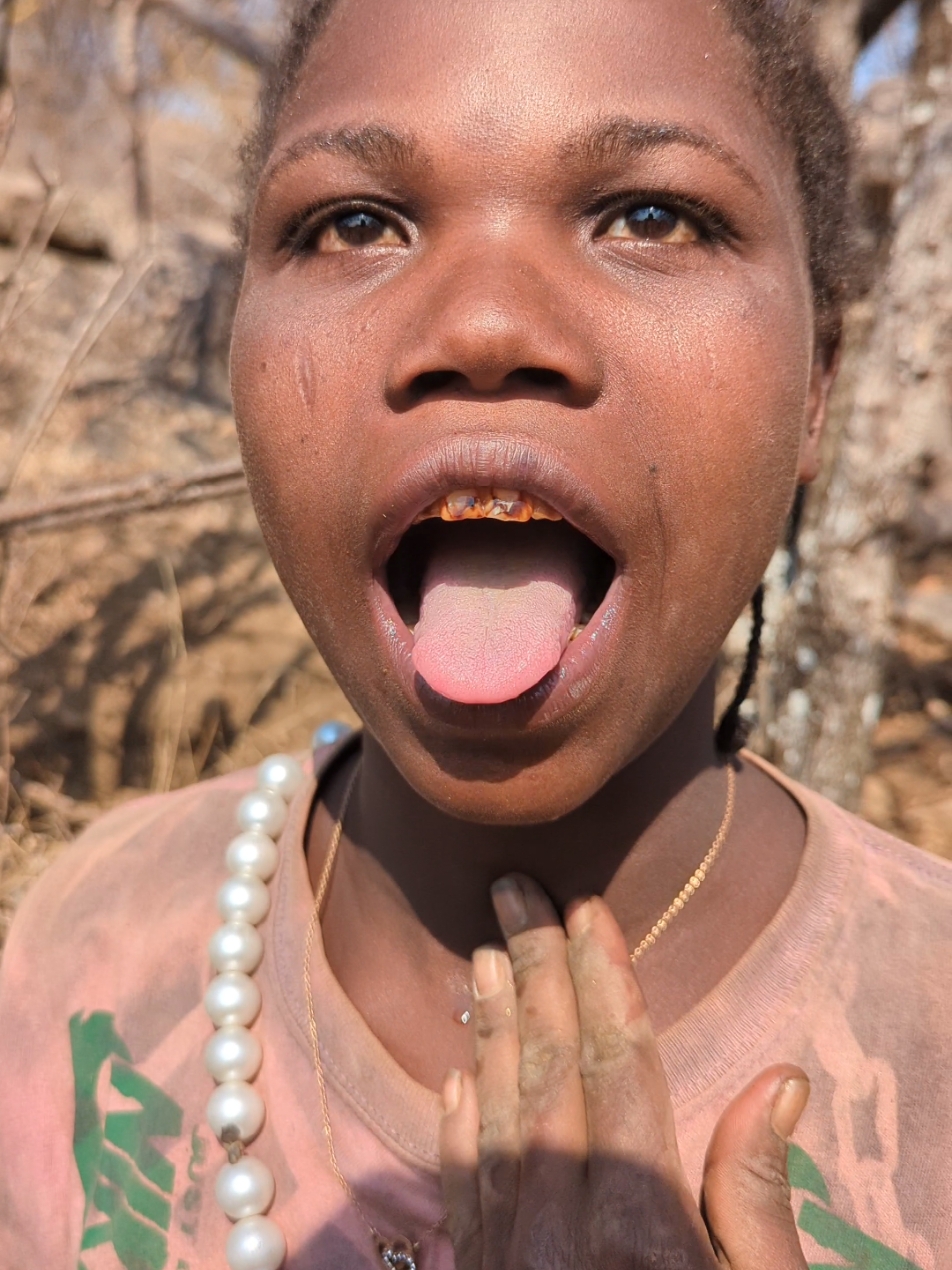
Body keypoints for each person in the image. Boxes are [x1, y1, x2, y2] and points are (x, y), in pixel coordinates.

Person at [2, 0, 950, 1266]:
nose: (487, 327)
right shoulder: (97, 940)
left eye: (650, 216)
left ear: (818, 388)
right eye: (355, 223)